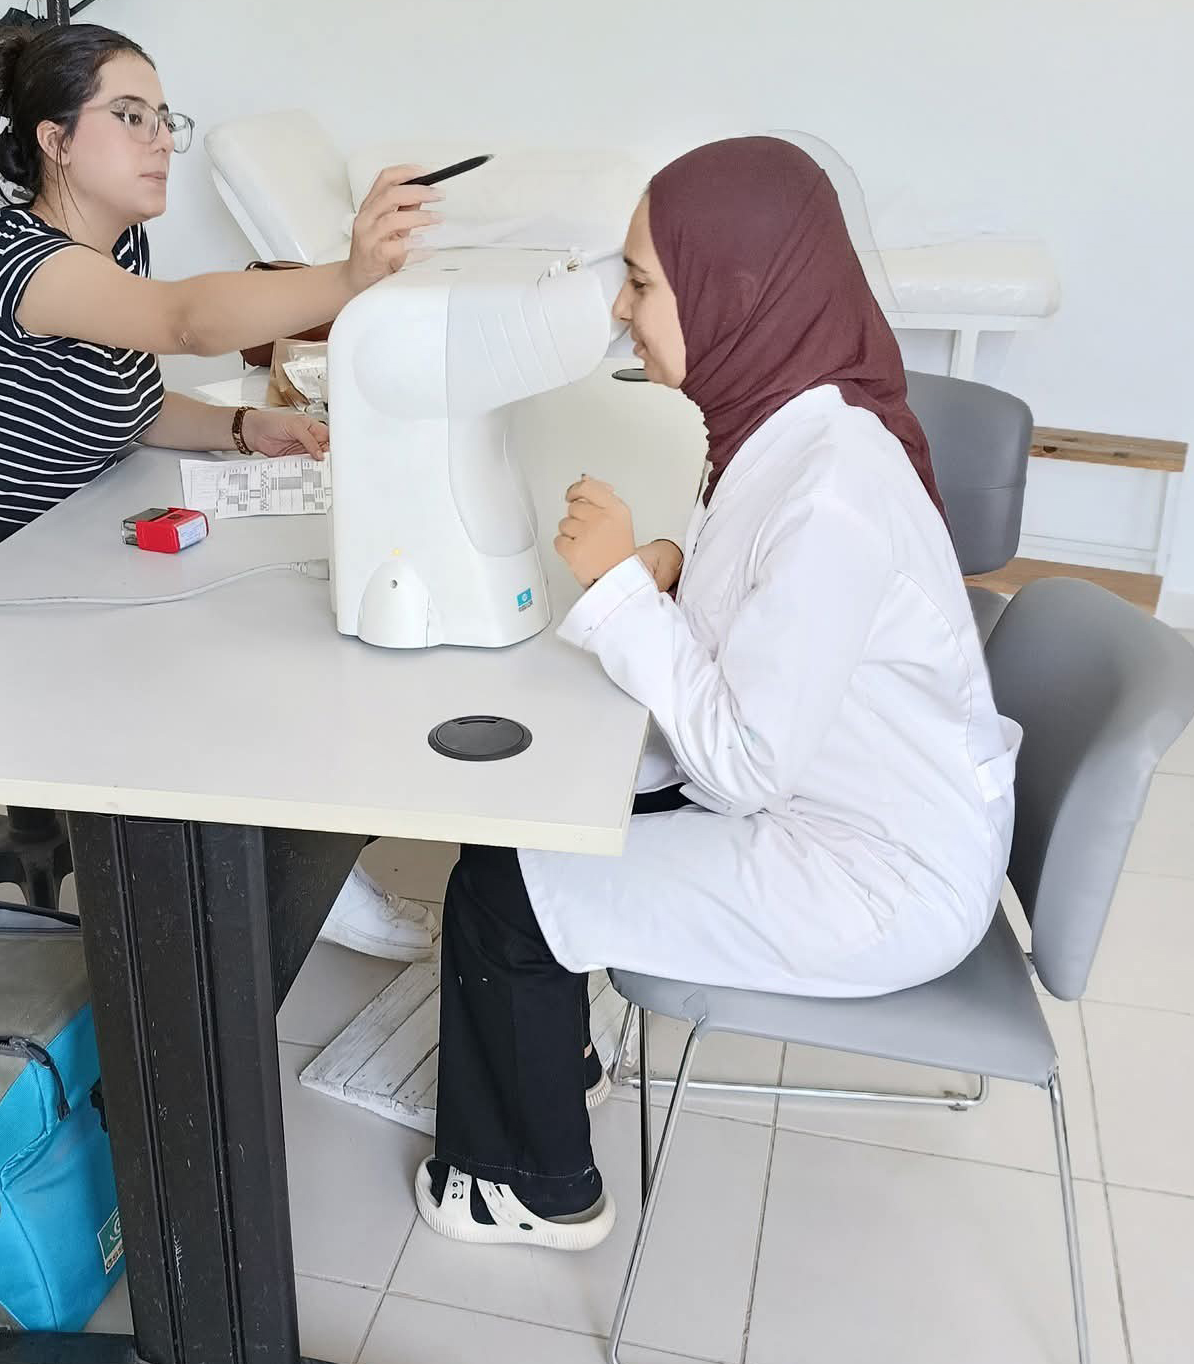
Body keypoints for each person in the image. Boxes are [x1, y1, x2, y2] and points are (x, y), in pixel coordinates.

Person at [414, 137, 1022, 1249]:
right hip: (849, 795)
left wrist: (617, 587)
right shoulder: (789, 422)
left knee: (503, 885)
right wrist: (676, 574)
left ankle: (527, 1187)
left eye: (644, 283)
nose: (623, 311)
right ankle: (558, 1057)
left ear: (735, 292)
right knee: (551, 797)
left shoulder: (831, 488)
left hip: (872, 876)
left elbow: (743, 761)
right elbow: (785, 622)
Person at [0, 23, 442, 961]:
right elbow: (184, 323)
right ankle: (272, 889)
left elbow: (130, 403)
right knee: (235, 660)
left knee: (272, 612)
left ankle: (290, 862)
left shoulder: (118, 248)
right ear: (55, 140)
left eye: (163, 118)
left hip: (69, 538)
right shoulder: (25, 263)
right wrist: (348, 277)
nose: (160, 141)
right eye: (129, 116)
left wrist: (242, 428)